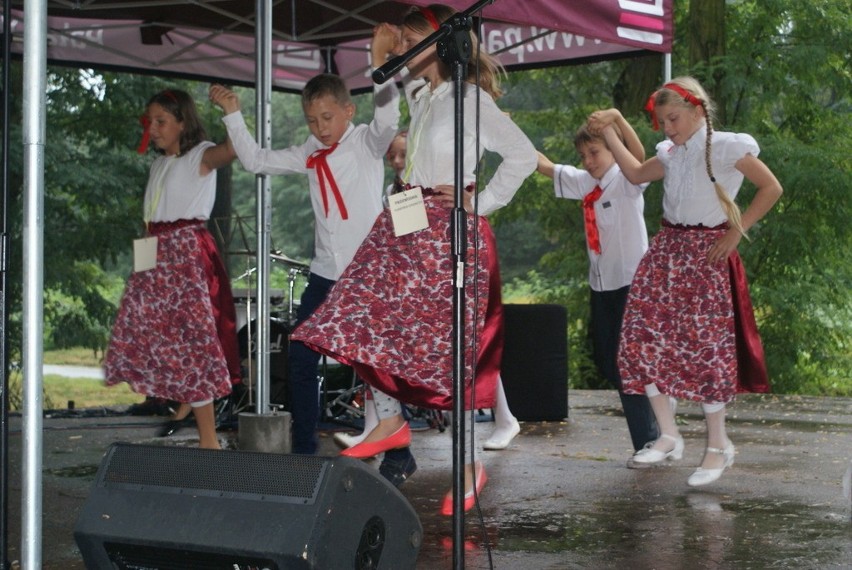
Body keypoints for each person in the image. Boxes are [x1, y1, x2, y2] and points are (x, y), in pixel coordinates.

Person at [291, 4, 537, 514]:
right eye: (401, 42)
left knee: (450, 351)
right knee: (363, 318)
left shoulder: (471, 100)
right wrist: (377, 55)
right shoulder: (423, 96)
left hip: (449, 229)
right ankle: (388, 420)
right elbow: (388, 104)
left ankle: (468, 462)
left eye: (409, 40)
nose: (401, 49)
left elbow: (522, 156)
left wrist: (479, 202)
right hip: (407, 220)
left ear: (440, 43)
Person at [208, 24, 401, 457]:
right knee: (299, 356)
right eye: (312, 120)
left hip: (363, 274)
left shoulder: (367, 144)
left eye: (327, 118)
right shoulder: (309, 153)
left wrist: (380, 61)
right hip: (324, 274)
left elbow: (389, 118)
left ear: (349, 112)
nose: (320, 127)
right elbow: (256, 160)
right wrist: (233, 114)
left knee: (372, 363)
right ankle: (303, 449)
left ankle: (399, 451)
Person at [589, 76, 782, 486]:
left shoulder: (728, 146)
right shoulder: (670, 153)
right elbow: (638, 173)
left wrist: (737, 230)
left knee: (707, 349)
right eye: (662, 122)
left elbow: (771, 187)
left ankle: (718, 445)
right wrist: (609, 128)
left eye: (673, 119)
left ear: (697, 110)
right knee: (641, 337)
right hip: (668, 250)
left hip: (707, 252)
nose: (668, 128)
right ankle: (669, 435)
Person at [336, 128, 522, 452]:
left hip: (446, 272)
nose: (396, 160)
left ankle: (503, 420)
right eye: (391, 156)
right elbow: (408, 237)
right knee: (377, 340)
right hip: (419, 276)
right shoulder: (396, 192)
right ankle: (378, 424)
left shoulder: (438, 187)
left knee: (468, 349)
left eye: (402, 155)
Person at [104, 88, 241, 450]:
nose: (154, 128)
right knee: (158, 334)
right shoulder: (159, 164)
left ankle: (208, 438)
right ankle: (186, 400)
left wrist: (232, 112)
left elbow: (233, 150)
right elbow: (152, 218)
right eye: (151, 121)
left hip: (186, 254)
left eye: (162, 121)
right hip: (156, 255)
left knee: (193, 342)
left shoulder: (201, 155)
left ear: (183, 122)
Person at [537, 110, 660, 466]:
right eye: (584, 156)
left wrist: (618, 123)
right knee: (609, 360)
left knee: (627, 364)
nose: (588, 162)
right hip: (602, 285)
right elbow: (544, 166)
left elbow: (636, 154)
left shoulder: (627, 179)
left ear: (612, 152)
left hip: (632, 283)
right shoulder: (585, 182)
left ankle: (649, 440)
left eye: (595, 153)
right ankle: (655, 422)